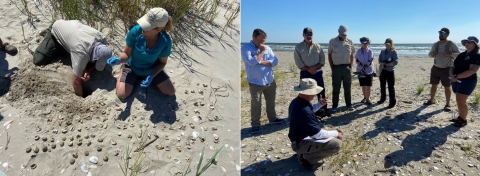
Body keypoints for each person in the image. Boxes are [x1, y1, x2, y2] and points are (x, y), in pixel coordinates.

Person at [108, 7, 175, 99]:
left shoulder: (165, 41)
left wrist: (152, 75)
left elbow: (162, 63)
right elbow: (126, 54)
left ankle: (147, 78)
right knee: (122, 94)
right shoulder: (135, 31)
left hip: (151, 69)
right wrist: (119, 60)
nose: (143, 28)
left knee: (170, 91)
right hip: (132, 67)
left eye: (147, 27)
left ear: (158, 29)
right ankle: (123, 71)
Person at [33, 20, 112, 97]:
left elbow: (97, 61)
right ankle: (55, 40)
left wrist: (88, 70)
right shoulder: (82, 54)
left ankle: (66, 43)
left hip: (74, 29)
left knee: (84, 61)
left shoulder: (102, 39)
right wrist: (81, 98)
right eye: (96, 62)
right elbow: (75, 82)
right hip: (57, 29)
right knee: (38, 60)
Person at [288, 78, 342, 171]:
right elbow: (318, 134)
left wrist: (319, 105)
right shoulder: (303, 110)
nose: (315, 94)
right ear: (308, 92)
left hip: (297, 139)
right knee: (336, 144)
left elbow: (310, 111)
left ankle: (304, 152)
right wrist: (336, 133)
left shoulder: (297, 102)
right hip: (300, 143)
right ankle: (306, 159)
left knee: (332, 135)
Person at [241, 28, 284, 134]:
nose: (262, 43)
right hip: (256, 82)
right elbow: (251, 62)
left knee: (271, 102)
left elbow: (275, 61)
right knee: (256, 105)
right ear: (253, 37)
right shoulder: (246, 48)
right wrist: (262, 52)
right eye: (260, 40)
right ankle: (255, 124)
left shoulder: (268, 48)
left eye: (264, 41)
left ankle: (272, 119)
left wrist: (261, 61)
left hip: (269, 80)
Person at [294, 27, 330, 117]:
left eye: (310, 34)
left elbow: (322, 60)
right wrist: (308, 69)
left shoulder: (318, 46)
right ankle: (304, 111)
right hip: (305, 73)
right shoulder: (298, 47)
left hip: (317, 72)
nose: (309, 36)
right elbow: (298, 62)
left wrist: (314, 68)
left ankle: (323, 111)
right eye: (307, 34)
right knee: (304, 92)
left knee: (321, 91)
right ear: (303, 35)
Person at [425, 27, 460, 112]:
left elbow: (459, 55)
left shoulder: (451, 44)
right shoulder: (436, 44)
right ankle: (431, 100)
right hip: (435, 68)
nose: (441, 35)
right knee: (433, 84)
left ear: (447, 35)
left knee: (447, 86)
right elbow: (429, 55)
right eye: (440, 33)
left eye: (443, 33)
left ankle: (448, 104)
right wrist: (432, 54)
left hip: (447, 69)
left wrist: (451, 54)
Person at [449, 36, 480, 127]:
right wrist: (451, 75)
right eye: (466, 42)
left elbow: (472, 71)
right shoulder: (461, 55)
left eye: (469, 42)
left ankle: (463, 120)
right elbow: (452, 66)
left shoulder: (476, 56)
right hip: (456, 80)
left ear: (474, 44)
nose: (467, 43)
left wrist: (457, 77)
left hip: (468, 81)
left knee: (461, 101)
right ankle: (460, 116)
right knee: (460, 100)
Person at [328, 25, 355, 112]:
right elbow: (329, 55)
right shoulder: (332, 41)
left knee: (347, 87)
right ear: (339, 32)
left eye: (345, 35)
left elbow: (352, 55)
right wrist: (332, 67)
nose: (344, 36)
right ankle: (335, 106)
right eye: (342, 34)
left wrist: (350, 66)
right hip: (336, 67)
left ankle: (349, 104)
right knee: (336, 87)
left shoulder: (350, 42)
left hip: (346, 67)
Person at [377, 38, 398, 108]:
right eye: (386, 44)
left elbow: (395, 62)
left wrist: (386, 64)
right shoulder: (382, 51)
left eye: (388, 44)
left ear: (391, 45)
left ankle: (392, 102)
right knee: (382, 85)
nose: (387, 45)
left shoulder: (394, 52)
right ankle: (382, 99)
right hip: (383, 71)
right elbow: (379, 60)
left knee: (390, 87)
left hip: (390, 71)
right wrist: (381, 64)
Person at [355, 37, 375, 105]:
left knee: (368, 85)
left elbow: (370, 61)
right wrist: (358, 64)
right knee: (363, 85)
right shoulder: (358, 51)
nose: (364, 44)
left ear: (368, 43)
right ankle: (364, 97)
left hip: (369, 71)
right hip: (360, 71)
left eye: (366, 43)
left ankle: (368, 98)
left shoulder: (370, 51)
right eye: (363, 43)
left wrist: (364, 68)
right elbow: (356, 60)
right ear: (361, 43)